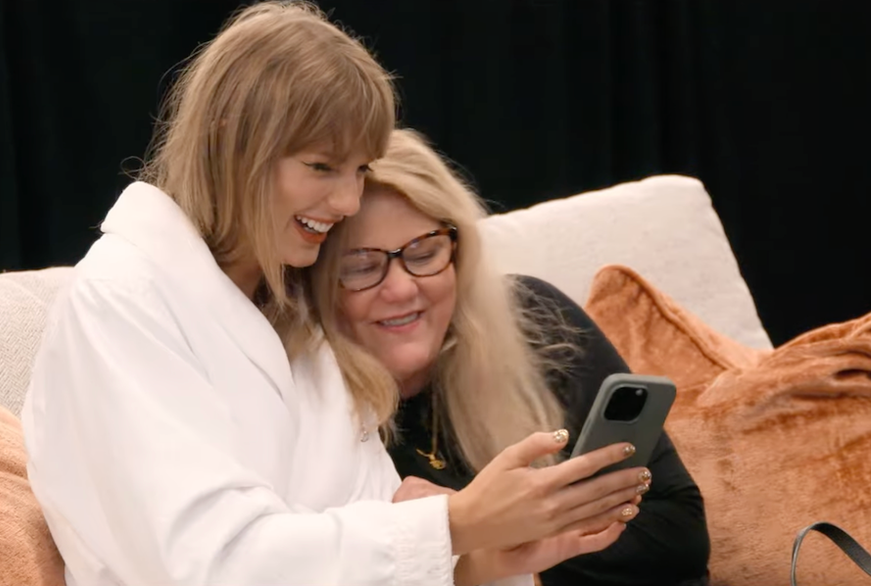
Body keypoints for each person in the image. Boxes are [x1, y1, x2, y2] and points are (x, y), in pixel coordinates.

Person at [21, 3, 653, 586]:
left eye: (359, 170)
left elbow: (372, 530)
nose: (348, 203)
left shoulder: (290, 311)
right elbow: (210, 564)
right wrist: (456, 524)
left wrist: (491, 558)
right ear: (229, 140)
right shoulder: (122, 301)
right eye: (322, 167)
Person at [305, 128, 712, 586]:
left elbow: (680, 533)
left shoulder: (535, 317)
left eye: (424, 252)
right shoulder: (312, 411)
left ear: (459, 252)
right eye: (360, 265)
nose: (401, 288)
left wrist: (483, 541)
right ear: (314, 281)